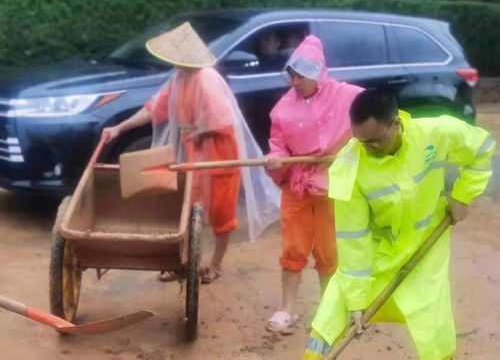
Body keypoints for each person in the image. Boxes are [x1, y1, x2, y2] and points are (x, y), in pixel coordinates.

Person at [303, 89, 495, 360]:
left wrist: (462, 196)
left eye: (374, 141)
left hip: (425, 253)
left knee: (433, 333)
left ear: (396, 123)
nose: (367, 148)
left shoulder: (435, 133)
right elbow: (353, 238)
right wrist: (356, 300)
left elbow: (482, 147)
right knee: (326, 323)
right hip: (378, 255)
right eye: (361, 141)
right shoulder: (351, 166)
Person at [104, 22, 279, 283]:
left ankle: (215, 264)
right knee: (187, 206)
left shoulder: (206, 78)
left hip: (220, 154)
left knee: (221, 212)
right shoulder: (179, 78)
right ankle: (181, 262)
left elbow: (223, 120)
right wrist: (121, 126)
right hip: (194, 153)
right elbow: (155, 108)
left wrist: (197, 131)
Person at [264, 35, 363, 333]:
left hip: (332, 187)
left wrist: (339, 151)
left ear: (319, 71)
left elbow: (370, 117)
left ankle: (328, 310)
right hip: (297, 187)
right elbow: (278, 144)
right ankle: (287, 310)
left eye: (302, 75)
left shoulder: (346, 94)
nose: (295, 82)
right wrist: (276, 160)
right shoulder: (281, 109)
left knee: (329, 252)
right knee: (293, 248)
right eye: (292, 74)